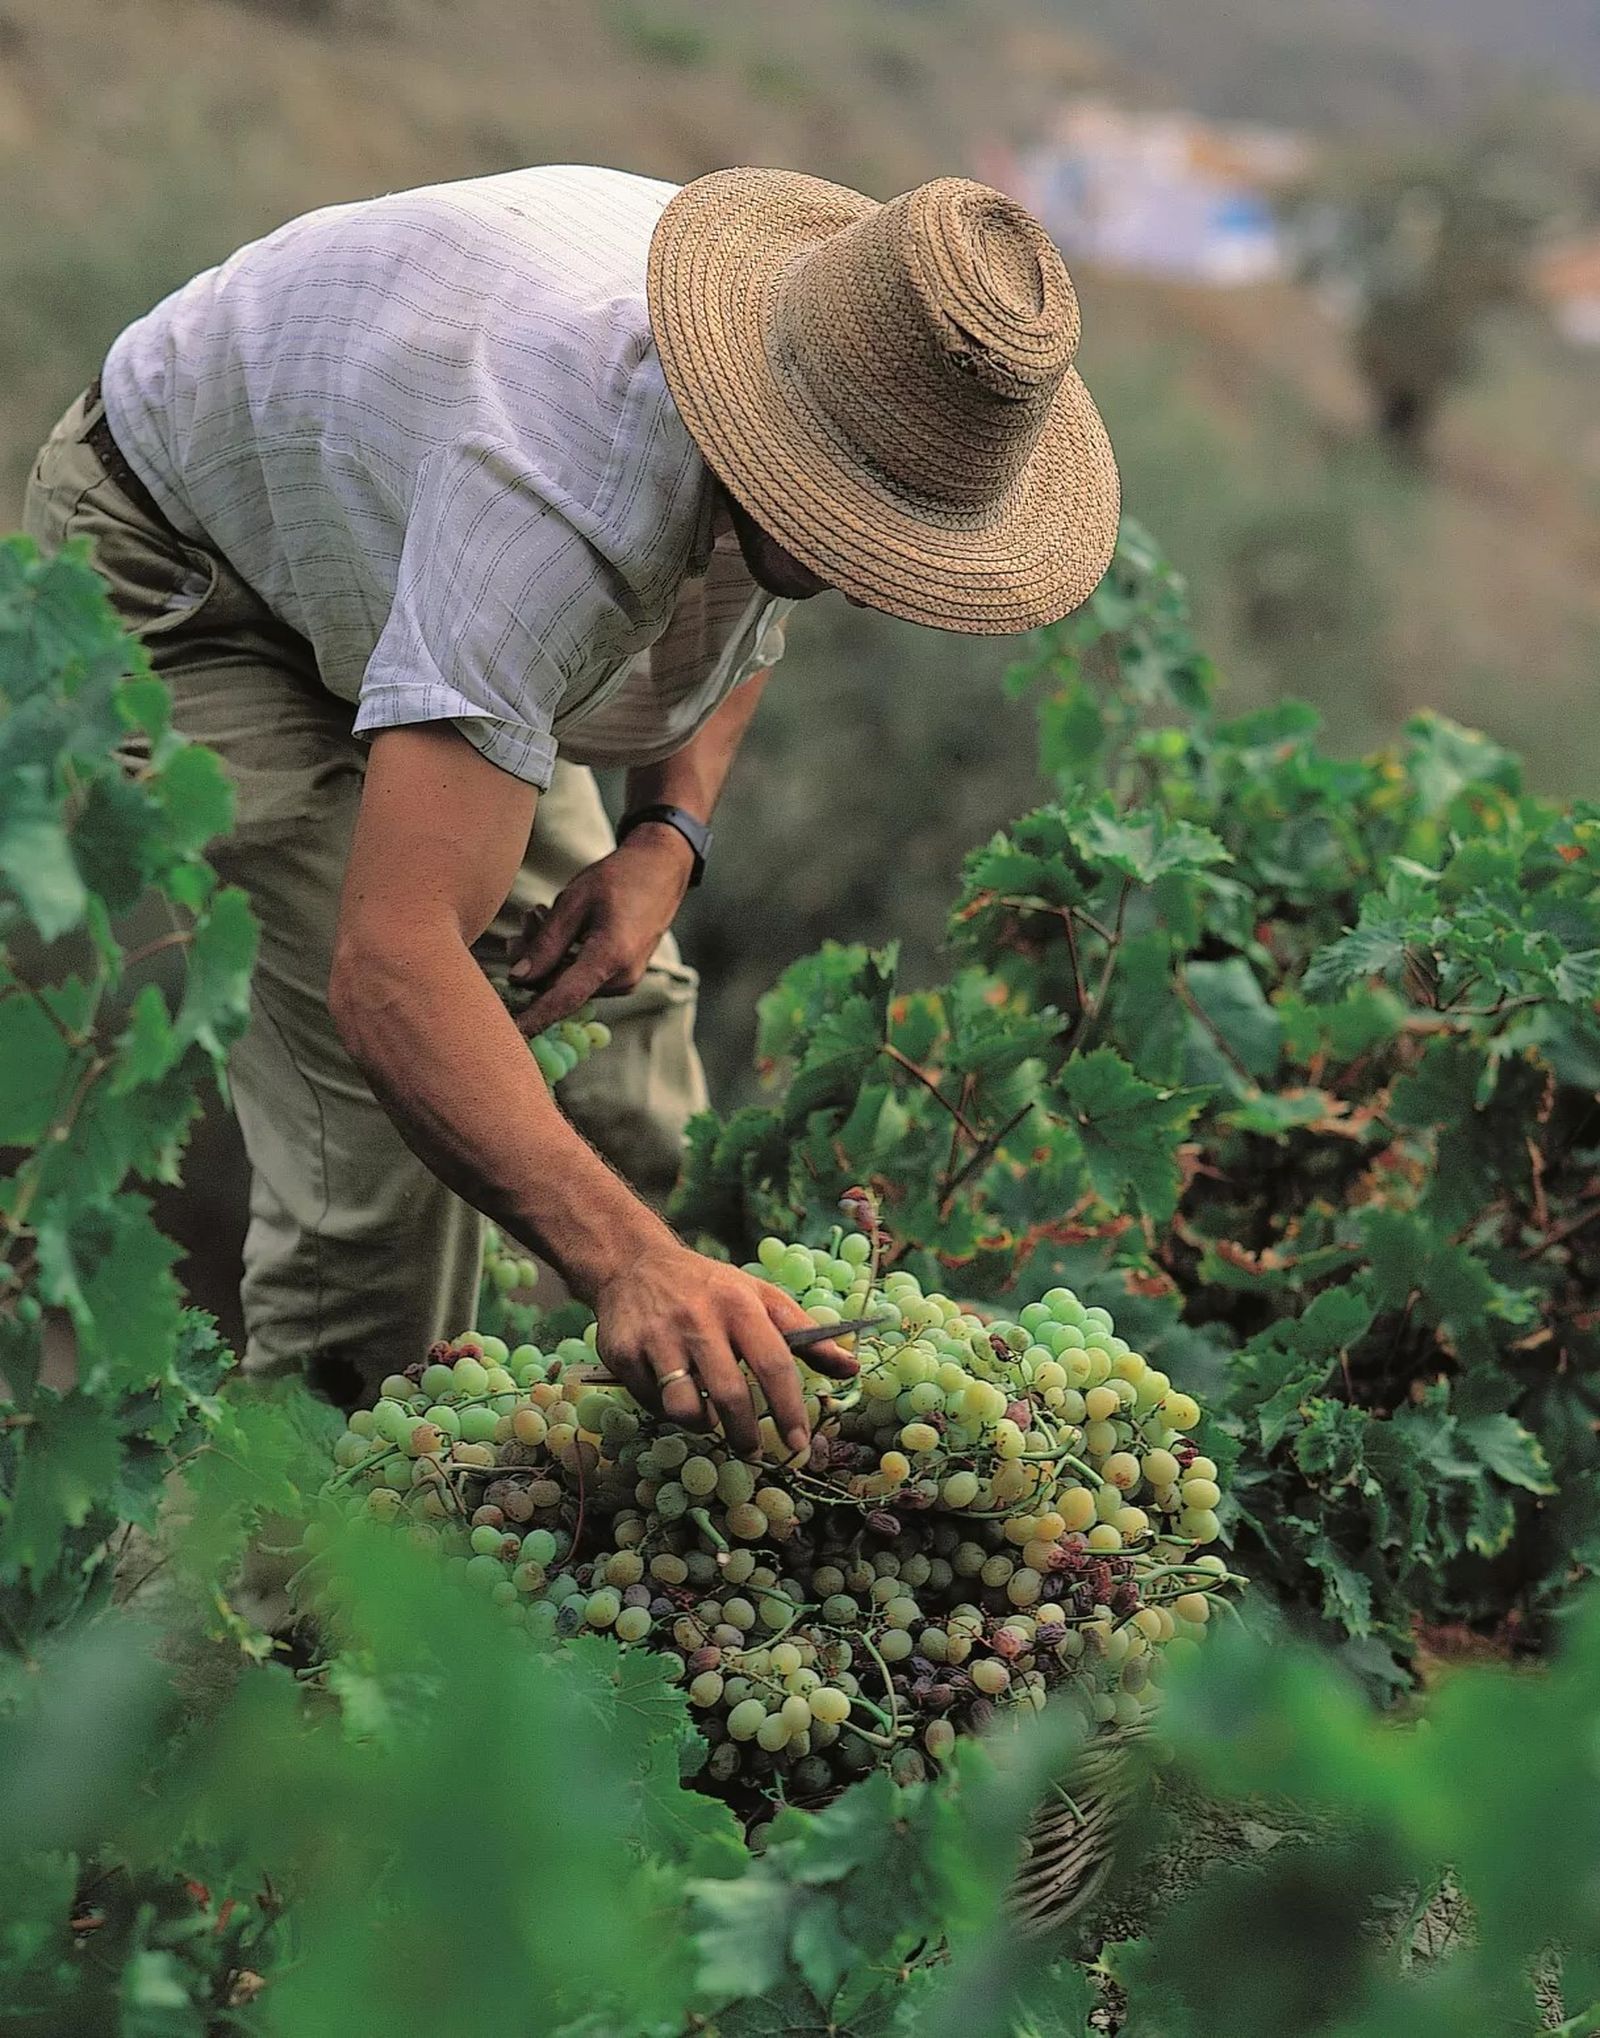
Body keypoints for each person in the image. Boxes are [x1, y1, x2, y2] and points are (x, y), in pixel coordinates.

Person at [23, 163, 1119, 1456]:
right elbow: (390, 968)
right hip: (191, 577)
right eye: (846, 516)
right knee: (382, 1167)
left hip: (398, 552)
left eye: (888, 536)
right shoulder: (555, 499)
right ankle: (299, 1600)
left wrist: (668, 836)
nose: (859, 569)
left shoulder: (818, 343)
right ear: (759, 419)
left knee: (629, 1049)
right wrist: (625, 1264)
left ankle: (580, 1481)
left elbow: (750, 606)